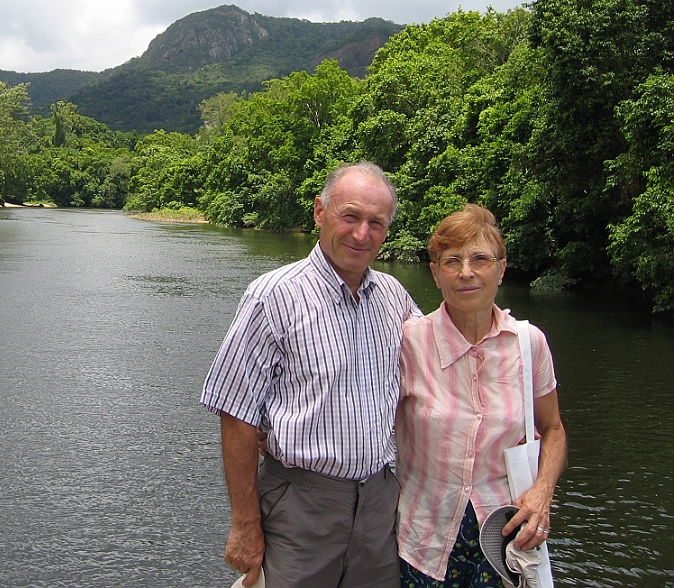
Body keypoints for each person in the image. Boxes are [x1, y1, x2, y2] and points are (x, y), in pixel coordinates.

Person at [201, 162, 420, 588]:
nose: (362, 234)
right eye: (350, 216)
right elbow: (235, 413)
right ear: (320, 212)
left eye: (376, 223)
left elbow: (443, 362)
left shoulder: (394, 298)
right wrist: (245, 523)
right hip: (299, 507)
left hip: (378, 505)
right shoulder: (273, 296)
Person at [395, 204, 567, 587]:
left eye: (480, 259)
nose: (466, 272)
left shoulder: (529, 344)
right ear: (436, 274)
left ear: (501, 269)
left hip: (505, 540)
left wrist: (542, 493)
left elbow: (553, 429)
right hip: (422, 541)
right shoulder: (409, 342)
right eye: (452, 261)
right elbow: (366, 416)